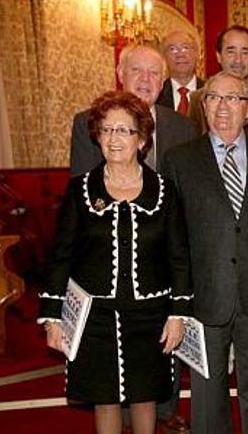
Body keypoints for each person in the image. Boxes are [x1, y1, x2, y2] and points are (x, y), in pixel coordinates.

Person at [39, 90, 192, 434]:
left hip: (150, 315)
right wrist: (52, 318)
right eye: (107, 130)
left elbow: (179, 258)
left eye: (124, 130)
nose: (114, 138)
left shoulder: (165, 191)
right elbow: (61, 255)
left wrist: (179, 315)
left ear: (142, 140)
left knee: (145, 397)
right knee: (103, 397)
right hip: (95, 317)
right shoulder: (80, 190)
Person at [162, 72, 248, 434]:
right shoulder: (179, 160)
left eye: (233, 98)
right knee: (205, 397)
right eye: (214, 98)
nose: (223, 106)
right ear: (203, 107)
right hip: (203, 299)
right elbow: (173, 236)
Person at [71, 44, 197, 176]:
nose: (145, 78)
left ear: (162, 83)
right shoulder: (89, 122)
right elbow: (83, 185)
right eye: (136, 70)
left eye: (154, 73)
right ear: (120, 74)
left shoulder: (184, 127)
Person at [156, 30, 204, 115]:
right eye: (173, 49)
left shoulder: (209, 91)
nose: (180, 55)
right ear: (163, 57)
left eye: (185, 48)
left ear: (197, 54)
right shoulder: (156, 94)